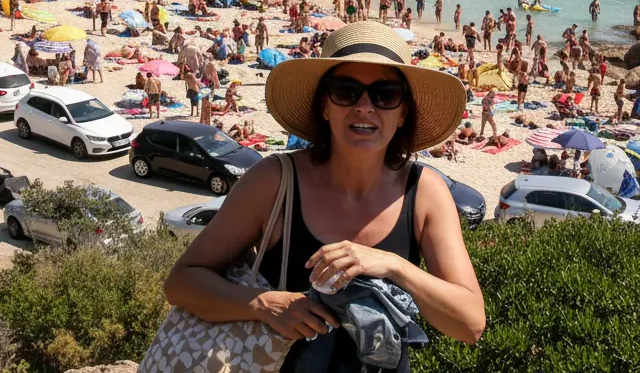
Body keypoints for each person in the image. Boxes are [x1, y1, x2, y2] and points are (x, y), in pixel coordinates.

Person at [163, 21, 485, 364]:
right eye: (346, 91)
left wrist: (393, 265)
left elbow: (470, 323)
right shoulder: (275, 181)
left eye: (385, 94)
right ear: (325, 106)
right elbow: (182, 282)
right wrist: (264, 305)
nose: (365, 106)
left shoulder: (424, 192)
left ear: (403, 112)